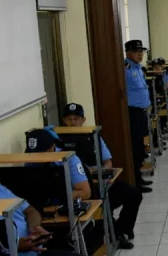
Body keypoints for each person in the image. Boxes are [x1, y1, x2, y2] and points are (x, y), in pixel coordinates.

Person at [60, 103, 142, 247]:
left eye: (76, 119)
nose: (73, 122)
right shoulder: (59, 141)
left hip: (100, 181)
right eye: (69, 119)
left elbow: (108, 162)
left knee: (134, 194)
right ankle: (116, 236)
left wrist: (101, 173)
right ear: (64, 121)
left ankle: (122, 229)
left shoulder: (93, 136)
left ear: (83, 120)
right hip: (82, 188)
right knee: (104, 204)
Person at [25, 129, 91, 201]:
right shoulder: (30, 161)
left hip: (65, 204)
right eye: (33, 153)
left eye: (40, 153)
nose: (36, 157)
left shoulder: (70, 160)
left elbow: (86, 193)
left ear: (52, 147)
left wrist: (56, 198)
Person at [124, 39, 153, 189]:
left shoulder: (138, 69)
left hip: (141, 112)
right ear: (128, 53)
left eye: (142, 51)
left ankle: (139, 177)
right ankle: (134, 181)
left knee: (141, 148)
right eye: (137, 52)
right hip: (132, 113)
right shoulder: (125, 69)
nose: (140, 54)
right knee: (135, 148)